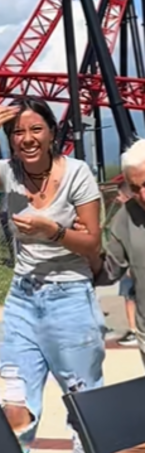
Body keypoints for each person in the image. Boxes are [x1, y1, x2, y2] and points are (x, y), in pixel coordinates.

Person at [0, 98, 105, 453]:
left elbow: (92, 242)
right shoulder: (7, 172)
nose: (27, 138)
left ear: (52, 133)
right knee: (16, 400)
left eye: (36, 129)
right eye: (17, 132)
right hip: (23, 296)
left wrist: (53, 231)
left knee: (82, 398)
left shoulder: (77, 172)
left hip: (69, 295)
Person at [79, 138, 145, 370]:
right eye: (135, 189)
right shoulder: (125, 219)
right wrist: (88, 250)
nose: (143, 195)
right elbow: (109, 271)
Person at [111, 182, 137, 347]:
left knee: (130, 297)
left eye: (120, 195)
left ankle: (134, 330)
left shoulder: (127, 216)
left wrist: (128, 266)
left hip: (132, 264)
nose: (117, 198)